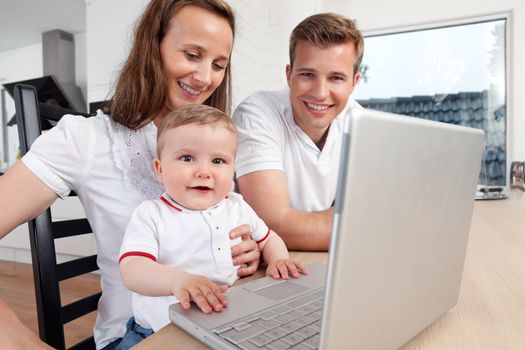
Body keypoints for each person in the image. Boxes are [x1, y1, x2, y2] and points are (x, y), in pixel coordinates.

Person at [0, 1, 261, 349]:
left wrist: (248, 255)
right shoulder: (85, 138)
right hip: (139, 336)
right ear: (152, 48)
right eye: (191, 54)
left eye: (218, 64)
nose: (204, 77)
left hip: (217, 325)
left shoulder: (214, 150)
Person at [117, 105, 306, 348]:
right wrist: (178, 281)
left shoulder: (237, 206)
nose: (204, 172)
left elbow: (269, 238)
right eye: (187, 158)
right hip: (157, 331)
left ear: (233, 169)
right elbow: (132, 269)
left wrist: (279, 259)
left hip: (221, 324)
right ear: (160, 170)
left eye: (218, 161)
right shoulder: (151, 215)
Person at [233, 13, 364, 251]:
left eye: (336, 78)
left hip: (323, 261)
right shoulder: (256, 114)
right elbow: (273, 224)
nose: (320, 93)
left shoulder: (359, 121)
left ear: (353, 83)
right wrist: (360, 227)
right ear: (289, 75)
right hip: (272, 266)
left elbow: (377, 207)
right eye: (307, 75)